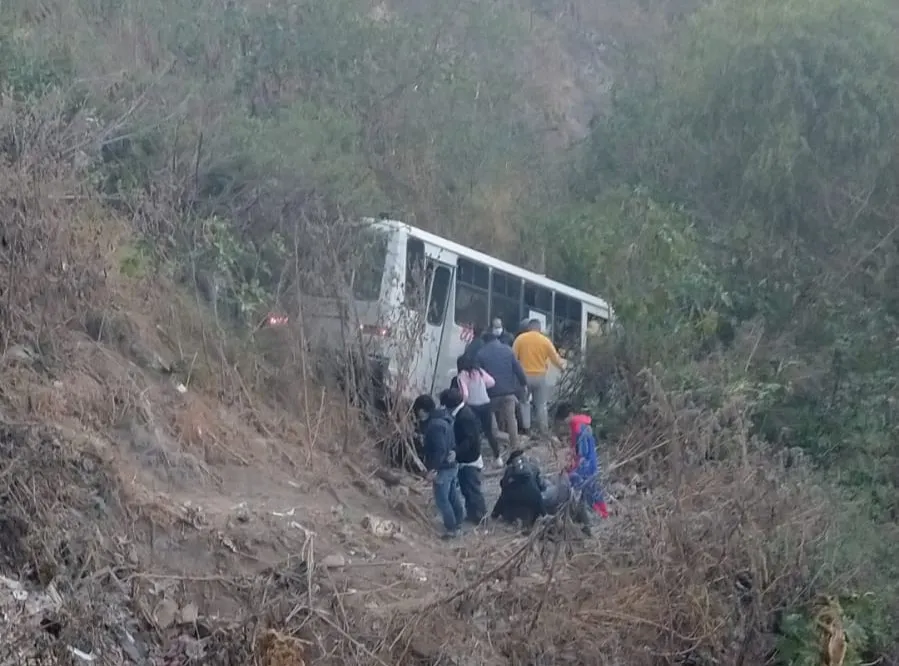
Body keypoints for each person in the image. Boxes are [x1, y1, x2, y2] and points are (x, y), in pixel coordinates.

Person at [413, 393, 465, 539]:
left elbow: (439, 450)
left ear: (422, 410)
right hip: (451, 465)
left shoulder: (434, 426)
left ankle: (451, 528)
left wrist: (433, 469)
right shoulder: (444, 418)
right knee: (452, 495)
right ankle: (459, 520)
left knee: (442, 499)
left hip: (443, 468)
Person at [554, 401, 609, 519]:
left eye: (565, 419)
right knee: (591, 488)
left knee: (586, 486)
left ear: (570, 415)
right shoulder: (579, 424)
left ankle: (598, 512)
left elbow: (583, 452)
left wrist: (575, 466)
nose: (565, 423)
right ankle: (597, 511)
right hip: (588, 462)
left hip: (587, 464)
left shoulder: (579, 427)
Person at [439, 388, 487, 524]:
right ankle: (473, 514)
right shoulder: (464, 412)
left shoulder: (464, 417)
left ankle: (481, 516)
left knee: (472, 490)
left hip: (469, 459)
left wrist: (456, 452)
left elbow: (469, 439)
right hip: (467, 457)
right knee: (467, 489)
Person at [476, 332, 527, 453]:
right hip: (508, 392)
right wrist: (523, 384)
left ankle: (499, 444)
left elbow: (479, 375)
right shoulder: (508, 350)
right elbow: (518, 369)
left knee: (492, 425)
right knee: (511, 419)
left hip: (491, 394)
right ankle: (515, 444)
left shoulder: (480, 354)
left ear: (484, 341)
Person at [513, 319, 566, 435]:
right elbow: (555, 358)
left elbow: (513, 358)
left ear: (528, 327)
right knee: (541, 404)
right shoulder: (545, 341)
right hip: (540, 377)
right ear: (539, 328)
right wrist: (562, 368)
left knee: (524, 402)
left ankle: (527, 429)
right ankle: (543, 429)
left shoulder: (520, 339)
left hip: (524, 377)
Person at [452, 355, 502, 465]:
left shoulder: (462, 376)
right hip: (485, 404)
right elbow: (492, 382)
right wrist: (481, 388)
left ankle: (478, 458)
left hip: (472, 406)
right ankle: (498, 457)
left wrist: (462, 404)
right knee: (489, 432)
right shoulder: (480, 371)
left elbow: (465, 393)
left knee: (475, 433)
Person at [490, 450, 547, 528]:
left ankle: (494, 514)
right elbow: (541, 486)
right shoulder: (533, 467)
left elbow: (503, 485)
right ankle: (545, 516)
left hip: (513, 498)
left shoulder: (509, 469)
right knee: (537, 496)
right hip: (532, 497)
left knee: (504, 495)